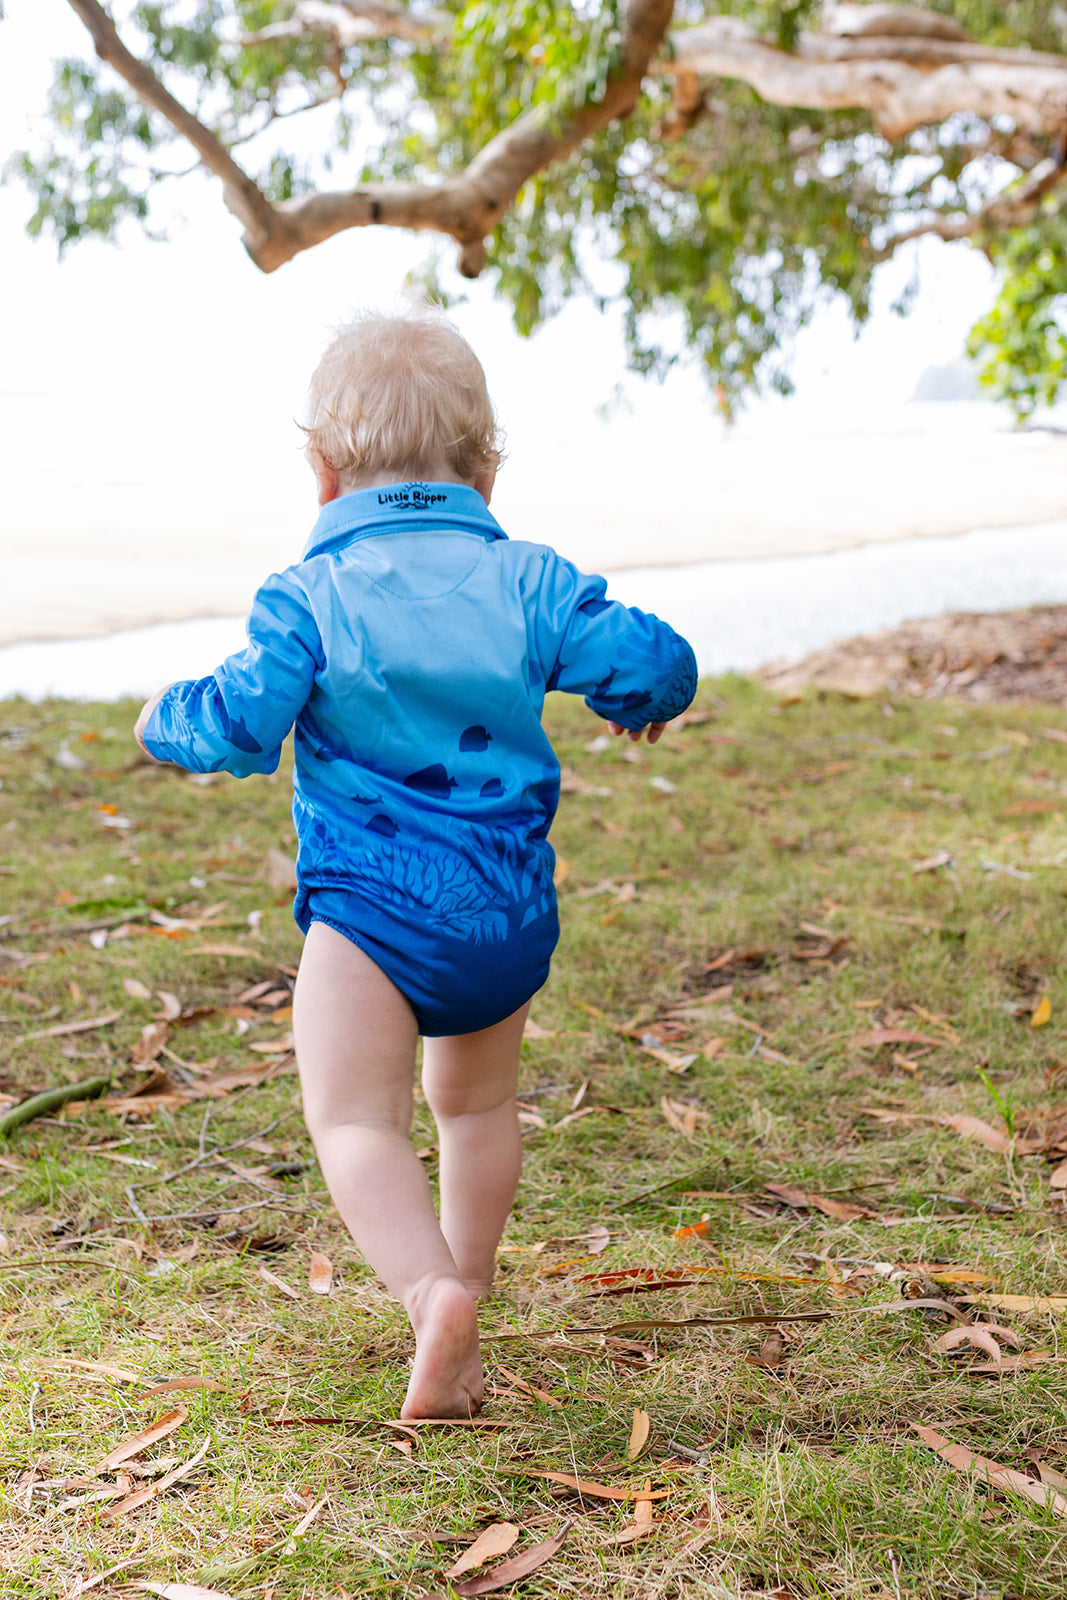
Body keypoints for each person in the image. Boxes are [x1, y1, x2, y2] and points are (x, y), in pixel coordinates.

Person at [135, 313, 697, 1419]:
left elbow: (242, 725)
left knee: (353, 1121)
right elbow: (657, 659)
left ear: (323, 469)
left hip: (369, 918)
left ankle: (430, 1292)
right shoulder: (530, 582)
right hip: (500, 913)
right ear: (485, 467)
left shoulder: (309, 596)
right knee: (475, 1110)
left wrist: (165, 717)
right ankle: (470, 1293)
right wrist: (642, 704)